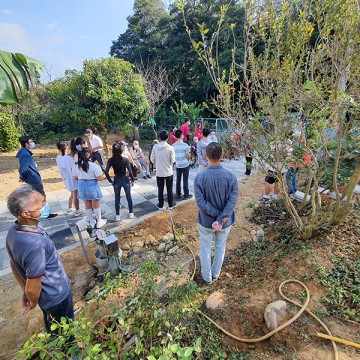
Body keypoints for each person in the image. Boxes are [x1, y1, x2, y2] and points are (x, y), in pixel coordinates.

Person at [6, 186, 74, 334]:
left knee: (54, 328)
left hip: (48, 299)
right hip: (57, 297)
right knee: (66, 336)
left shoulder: (14, 231)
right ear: (26, 213)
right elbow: (32, 287)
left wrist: (24, 289)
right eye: (41, 203)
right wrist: (31, 299)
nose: (45, 205)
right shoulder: (35, 244)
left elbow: (13, 263)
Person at [194, 142, 238, 285]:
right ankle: (215, 274)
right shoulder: (231, 177)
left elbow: (201, 202)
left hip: (206, 222)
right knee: (220, 247)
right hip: (225, 222)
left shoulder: (199, 178)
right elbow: (231, 202)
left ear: (205, 156)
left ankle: (207, 278)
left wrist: (216, 217)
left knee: (205, 249)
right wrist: (220, 219)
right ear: (222, 156)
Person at [72, 147, 107, 228]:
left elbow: (75, 178)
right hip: (92, 185)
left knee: (87, 205)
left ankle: (91, 221)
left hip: (81, 186)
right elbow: (100, 178)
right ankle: (99, 221)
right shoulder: (93, 165)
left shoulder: (76, 166)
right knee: (96, 205)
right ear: (88, 155)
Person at [105, 142, 135, 221]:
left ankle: (118, 215)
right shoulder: (125, 159)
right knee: (128, 196)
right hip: (125, 179)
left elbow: (106, 172)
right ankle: (131, 213)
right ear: (121, 150)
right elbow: (130, 172)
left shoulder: (111, 160)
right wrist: (133, 180)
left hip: (116, 180)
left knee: (117, 198)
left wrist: (110, 181)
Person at [150, 130, 176, 210]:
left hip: (159, 172)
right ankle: (170, 204)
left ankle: (160, 205)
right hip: (168, 172)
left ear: (159, 137)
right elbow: (173, 160)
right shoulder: (170, 148)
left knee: (160, 189)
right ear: (167, 138)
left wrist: (156, 163)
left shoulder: (155, 147)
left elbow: (152, 159)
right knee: (169, 189)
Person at [56, 141, 81, 217]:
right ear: (67, 148)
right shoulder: (70, 158)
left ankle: (70, 207)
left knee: (72, 193)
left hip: (65, 178)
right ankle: (77, 210)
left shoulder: (58, 157)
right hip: (72, 178)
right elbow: (73, 168)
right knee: (75, 194)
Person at [173, 129, 193, 200]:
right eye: (183, 134)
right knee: (185, 180)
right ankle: (186, 195)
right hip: (185, 164)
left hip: (178, 165)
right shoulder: (185, 145)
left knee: (178, 180)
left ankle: (178, 193)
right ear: (181, 136)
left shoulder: (173, 145)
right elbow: (188, 156)